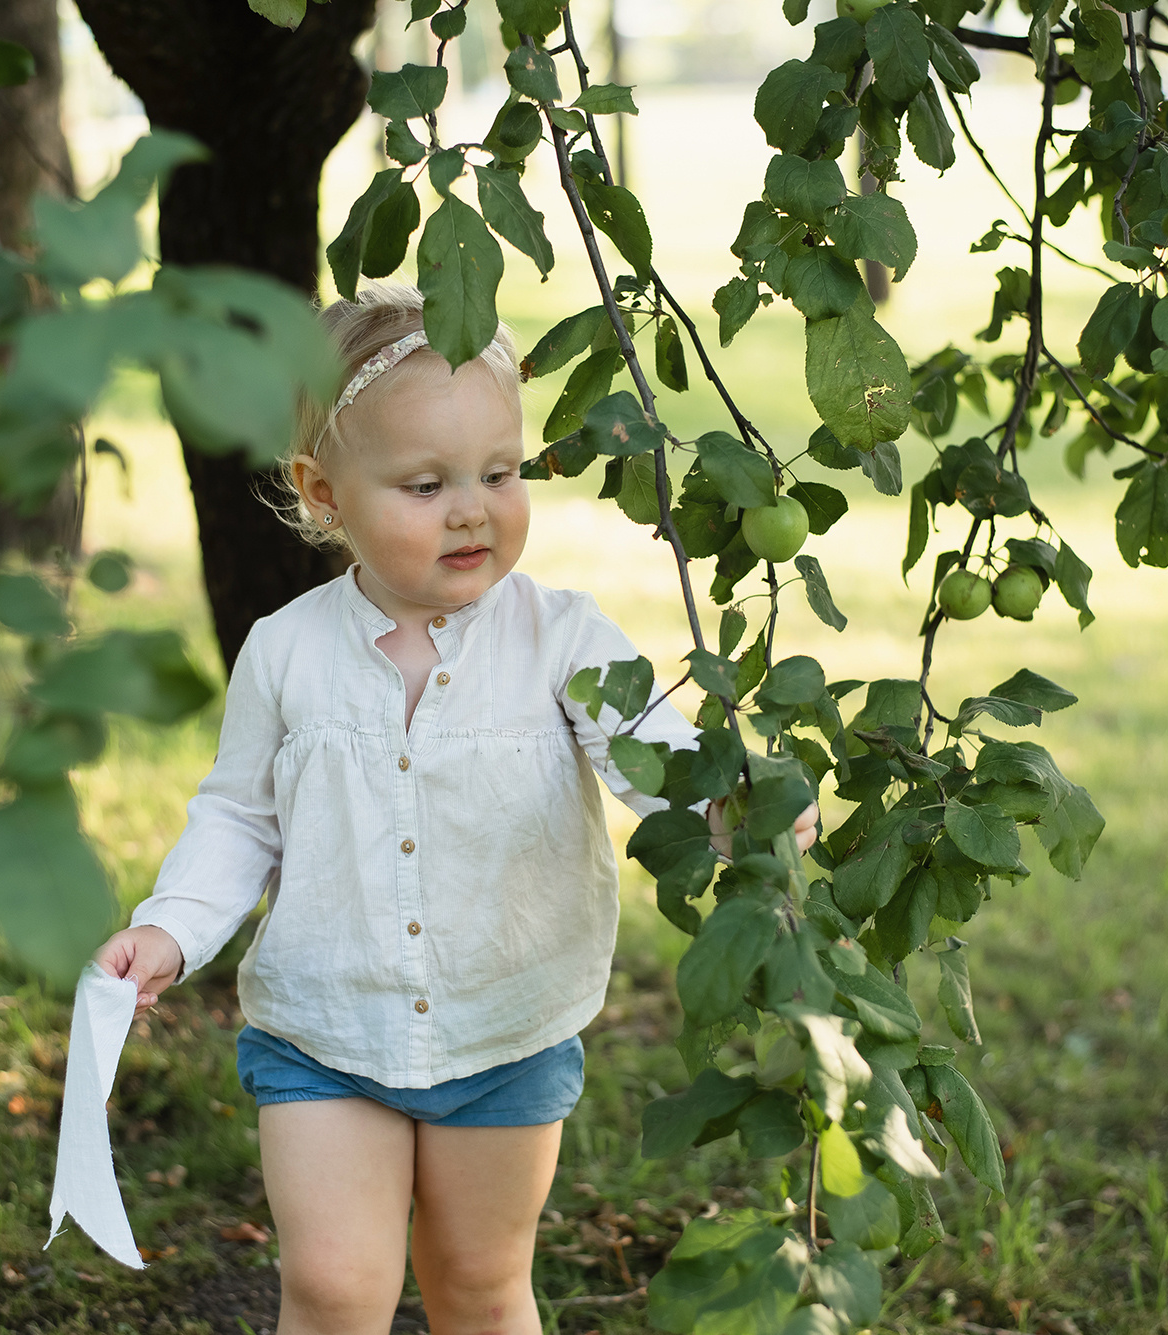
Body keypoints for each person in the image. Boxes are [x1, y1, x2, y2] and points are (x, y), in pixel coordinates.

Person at [93, 283, 818, 1335]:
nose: (473, 508)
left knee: (478, 1285)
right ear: (324, 492)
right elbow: (239, 818)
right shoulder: (285, 652)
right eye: (426, 484)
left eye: (499, 472)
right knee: (333, 1288)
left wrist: (734, 807)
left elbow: (655, 757)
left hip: (504, 1026)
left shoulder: (562, 639)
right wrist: (170, 927)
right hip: (325, 1029)